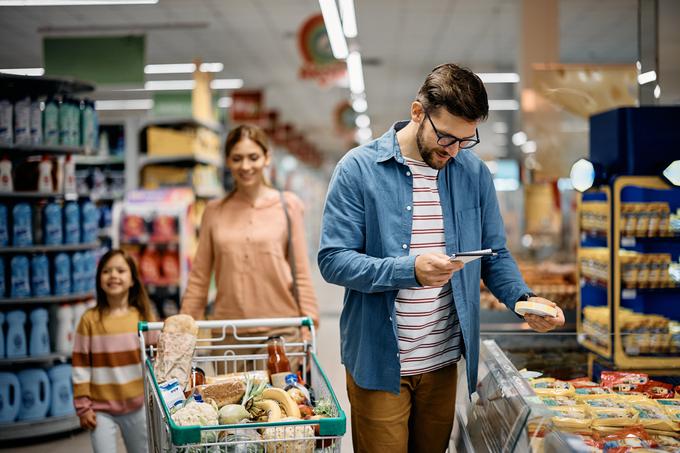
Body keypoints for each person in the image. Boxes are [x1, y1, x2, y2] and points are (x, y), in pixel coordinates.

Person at [318, 63, 565, 452]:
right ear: (418, 113)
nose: (453, 150)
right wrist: (409, 270)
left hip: (442, 360)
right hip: (379, 360)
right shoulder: (358, 170)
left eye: (466, 140)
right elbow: (333, 259)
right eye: (446, 137)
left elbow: (494, 253)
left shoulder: (473, 173)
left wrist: (521, 299)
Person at [180, 124, 319, 370]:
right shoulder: (214, 211)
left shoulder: (288, 205)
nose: (245, 166)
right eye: (237, 159)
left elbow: (300, 272)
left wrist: (310, 326)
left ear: (267, 158)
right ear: (227, 162)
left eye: (253, 157)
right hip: (227, 333)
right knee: (230, 407)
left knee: (279, 405)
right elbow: (200, 278)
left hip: (281, 329)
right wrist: (183, 332)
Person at [72, 249, 154, 453]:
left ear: (133, 280)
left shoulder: (142, 318)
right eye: (107, 271)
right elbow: (80, 367)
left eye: (120, 270)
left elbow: (155, 359)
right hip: (100, 409)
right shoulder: (89, 320)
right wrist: (83, 407)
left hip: (137, 406)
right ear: (99, 278)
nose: (113, 275)